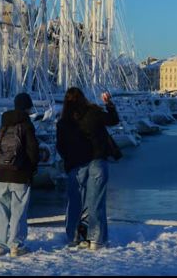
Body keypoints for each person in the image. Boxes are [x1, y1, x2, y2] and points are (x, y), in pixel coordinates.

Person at [56, 87, 120, 250]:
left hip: (76, 164)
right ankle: (96, 239)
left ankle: (73, 237)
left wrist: (68, 159)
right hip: (97, 161)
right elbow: (113, 120)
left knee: (74, 202)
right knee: (96, 202)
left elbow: (60, 146)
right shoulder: (93, 112)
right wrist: (109, 104)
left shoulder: (63, 122)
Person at [0, 93, 40, 257]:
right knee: (18, 210)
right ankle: (16, 245)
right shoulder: (26, 124)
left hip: (2, 173)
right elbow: (33, 151)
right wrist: (33, 168)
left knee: (3, 210)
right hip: (20, 174)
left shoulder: (4, 123)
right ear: (28, 107)